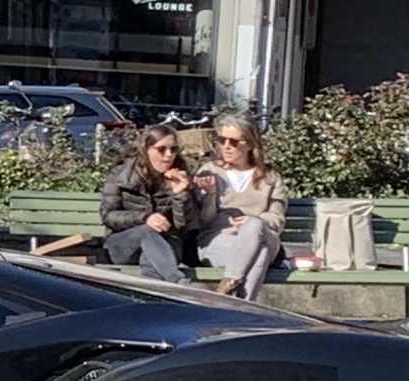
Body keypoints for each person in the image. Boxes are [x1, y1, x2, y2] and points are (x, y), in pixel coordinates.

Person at [195, 114, 288, 299]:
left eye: (234, 141)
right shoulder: (210, 172)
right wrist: (210, 194)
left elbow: (277, 218)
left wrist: (256, 221)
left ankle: (228, 284)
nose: (226, 146)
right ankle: (245, 305)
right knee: (259, 253)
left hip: (264, 235)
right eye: (222, 140)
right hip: (220, 240)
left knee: (254, 226)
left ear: (250, 144)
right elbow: (204, 221)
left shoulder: (269, 177)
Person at [99, 126, 200, 282]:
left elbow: (186, 227)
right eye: (161, 149)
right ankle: (176, 279)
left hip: (166, 246)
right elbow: (108, 215)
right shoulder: (122, 175)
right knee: (146, 231)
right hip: (124, 245)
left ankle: (155, 302)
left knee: (151, 262)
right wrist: (144, 218)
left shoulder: (180, 176)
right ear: (145, 150)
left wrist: (180, 195)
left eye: (173, 150)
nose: (168, 156)